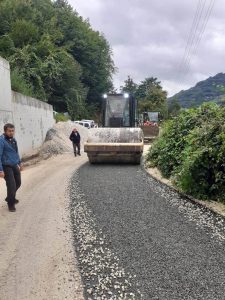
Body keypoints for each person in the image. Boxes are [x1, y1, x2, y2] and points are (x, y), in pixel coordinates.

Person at [0, 123, 23, 212]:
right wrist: (0, 170)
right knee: (11, 185)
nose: (11, 132)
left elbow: (16, 152)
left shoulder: (13, 140)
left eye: (13, 131)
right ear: (5, 131)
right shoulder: (1, 141)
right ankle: (11, 204)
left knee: (18, 182)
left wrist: (20, 163)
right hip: (6, 166)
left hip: (14, 164)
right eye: (9, 131)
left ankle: (9, 197)